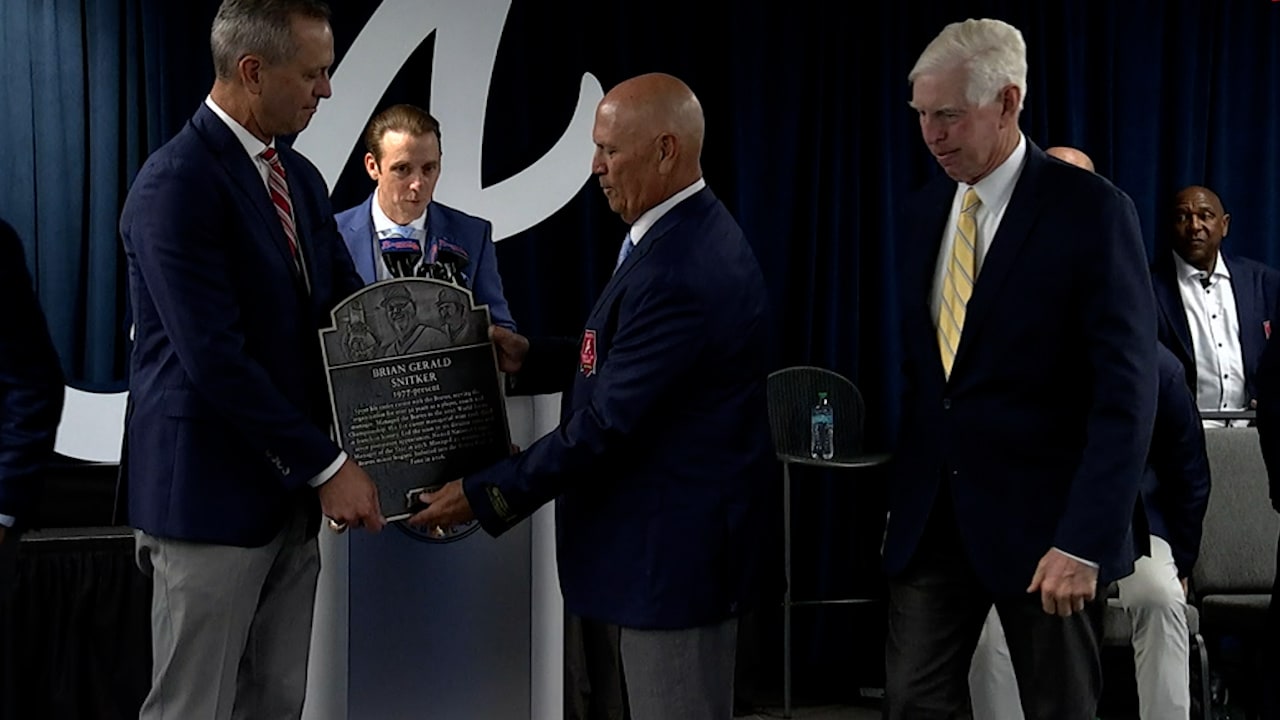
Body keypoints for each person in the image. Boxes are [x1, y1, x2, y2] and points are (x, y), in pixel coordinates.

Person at [409, 72, 775, 720]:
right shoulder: (671, 232)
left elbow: (608, 425)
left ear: (665, 150)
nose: (596, 167)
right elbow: (634, 365)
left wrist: (482, 493)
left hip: (670, 571)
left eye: (609, 150)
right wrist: (537, 356)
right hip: (651, 558)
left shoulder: (683, 265)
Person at [118, 2, 384, 718]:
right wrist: (328, 467)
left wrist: (449, 342)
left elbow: (344, 309)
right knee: (192, 707)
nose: (326, 91)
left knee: (276, 700)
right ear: (252, 70)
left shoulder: (297, 178)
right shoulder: (175, 183)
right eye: (314, 73)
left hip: (287, 503)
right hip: (207, 503)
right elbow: (215, 360)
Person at [886, 19, 1156, 719]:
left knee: (1059, 707)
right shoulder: (921, 214)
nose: (932, 136)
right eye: (921, 115)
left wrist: (1085, 540)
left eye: (948, 115)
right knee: (912, 701)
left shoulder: (1092, 213)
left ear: (1007, 103)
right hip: (933, 526)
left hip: (1049, 534)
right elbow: (929, 383)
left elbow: (1126, 394)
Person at [971, 344, 1210, 719]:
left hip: (1136, 528)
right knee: (991, 625)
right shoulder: (1021, 358)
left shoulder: (1160, 369)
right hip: (1038, 525)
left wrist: (1183, 563)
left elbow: (1189, 474)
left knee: (1161, 598)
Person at [335, 103, 515, 330]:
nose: (418, 183)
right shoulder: (333, 236)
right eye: (402, 169)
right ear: (373, 166)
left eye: (429, 168)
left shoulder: (472, 235)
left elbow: (499, 325)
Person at [1152, 185, 1280, 427]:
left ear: (1225, 224)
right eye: (1183, 217)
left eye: (1205, 216)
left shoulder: (1263, 282)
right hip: (1180, 434)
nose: (1195, 226)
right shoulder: (1147, 289)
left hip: (1254, 432)